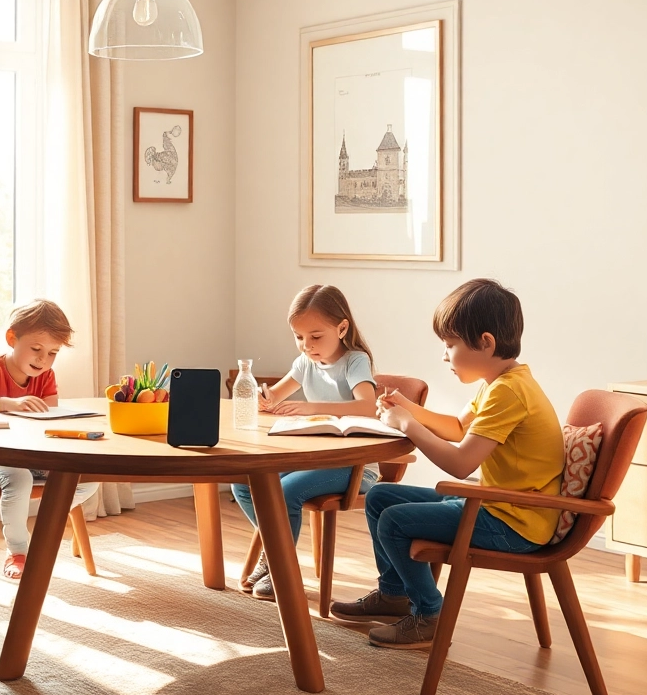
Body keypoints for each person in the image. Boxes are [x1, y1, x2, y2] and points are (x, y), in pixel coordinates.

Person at [330, 278, 563, 651]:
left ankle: (429, 615)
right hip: (496, 506)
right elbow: (457, 428)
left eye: (450, 344)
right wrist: (409, 408)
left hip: (513, 523)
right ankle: (393, 596)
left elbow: (459, 462)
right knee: (381, 497)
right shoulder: (499, 383)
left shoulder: (509, 392)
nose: (444, 355)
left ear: (485, 343)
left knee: (394, 520)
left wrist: (407, 425)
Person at [237, 284, 380, 601]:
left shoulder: (355, 361)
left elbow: (367, 407)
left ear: (342, 327)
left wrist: (312, 407)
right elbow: (277, 395)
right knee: (243, 481)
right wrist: (266, 399)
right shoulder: (305, 363)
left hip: (353, 466)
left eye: (315, 337)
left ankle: (278, 567)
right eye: (299, 337)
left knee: (286, 491)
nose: (306, 346)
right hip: (312, 459)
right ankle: (277, 557)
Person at [0, 299, 100, 579]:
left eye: (52, 353)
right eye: (36, 349)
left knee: (91, 477)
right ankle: (19, 552)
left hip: (34, 455)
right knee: (19, 480)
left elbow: (50, 418)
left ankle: (47, 525)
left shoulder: (46, 376)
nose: (43, 360)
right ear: (12, 338)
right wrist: (11, 403)